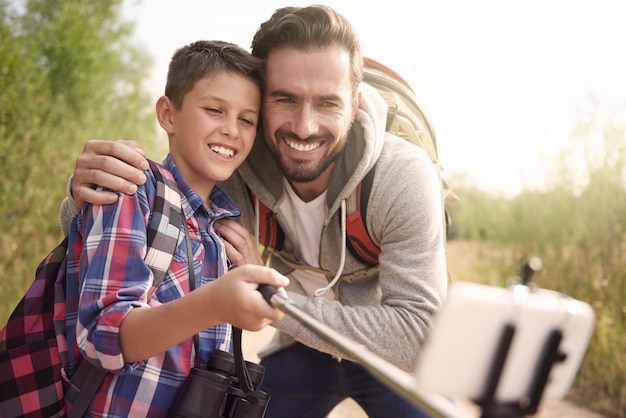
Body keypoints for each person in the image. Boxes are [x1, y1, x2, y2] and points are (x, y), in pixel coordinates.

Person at [60, 5, 447, 418]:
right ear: (261, 99)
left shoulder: (401, 176)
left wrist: (278, 302)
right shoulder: (236, 162)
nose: (304, 126)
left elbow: (418, 336)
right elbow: (146, 226)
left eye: (327, 104)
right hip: (298, 350)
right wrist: (85, 193)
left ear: (353, 105)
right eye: (285, 99)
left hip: (383, 345)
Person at [62, 40, 289, 417]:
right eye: (214, 110)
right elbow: (103, 335)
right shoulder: (132, 188)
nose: (232, 130)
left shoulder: (225, 230)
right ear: (168, 114)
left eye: (247, 120)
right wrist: (215, 304)